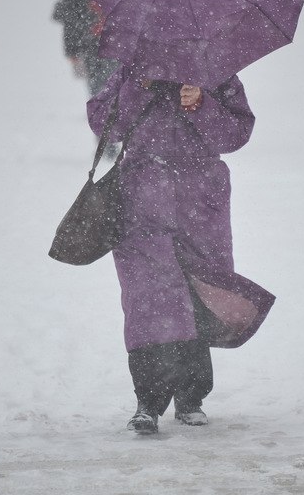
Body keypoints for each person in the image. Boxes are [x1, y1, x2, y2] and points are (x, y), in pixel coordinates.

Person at [86, 65, 275, 434]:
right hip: (140, 199)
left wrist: (202, 103)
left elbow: (237, 132)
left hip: (200, 202)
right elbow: (104, 123)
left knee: (198, 292)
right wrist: (138, 89)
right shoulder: (132, 68)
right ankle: (148, 401)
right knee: (146, 299)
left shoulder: (213, 69)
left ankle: (191, 396)